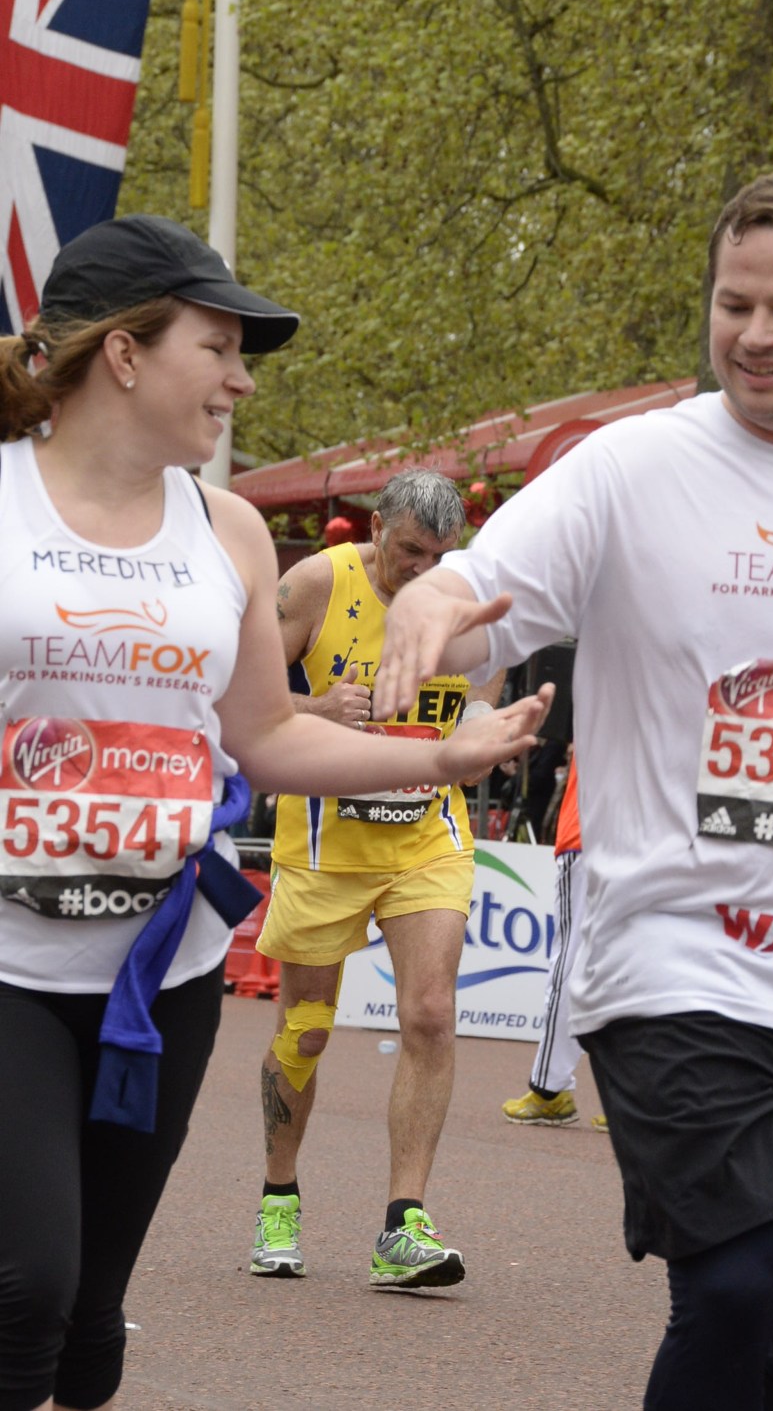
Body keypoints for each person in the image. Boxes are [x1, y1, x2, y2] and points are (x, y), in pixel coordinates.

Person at [372, 170, 773, 1409]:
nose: (752, 334)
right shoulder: (629, 466)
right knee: (737, 1279)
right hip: (673, 949)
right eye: (730, 302)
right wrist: (429, 605)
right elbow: (479, 587)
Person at [0, 215, 551, 1411]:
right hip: (11, 965)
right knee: (25, 1286)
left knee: (89, 1323)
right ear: (125, 353)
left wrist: (438, 752)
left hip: (165, 970)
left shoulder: (229, 529)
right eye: (217, 348)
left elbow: (266, 734)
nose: (241, 381)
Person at [249, 468, 505, 1288]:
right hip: (325, 844)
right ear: (376, 528)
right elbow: (244, 698)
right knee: (306, 1029)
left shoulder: (467, 595)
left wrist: (483, 726)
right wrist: (318, 710)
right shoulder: (316, 583)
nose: (423, 570)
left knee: (430, 1012)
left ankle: (404, 1223)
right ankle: (279, 1197)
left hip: (427, 837)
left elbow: (487, 685)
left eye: (439, 556)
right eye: (409, 552)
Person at [501, 753, 607, 1130]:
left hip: (588, 836)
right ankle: (637, 1098)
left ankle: (549, 1089)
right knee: (630, 968)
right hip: (641, 838)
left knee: (569, 965)